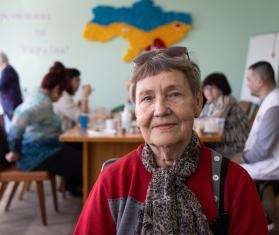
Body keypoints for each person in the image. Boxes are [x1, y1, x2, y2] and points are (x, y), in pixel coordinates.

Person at [74, 47, 267, 234]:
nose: (160, 110)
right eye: (147, 98)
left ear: (197, 103)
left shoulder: (234, 183)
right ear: (136, 112)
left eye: (174, 94)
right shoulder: (114, 181)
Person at [5, 62, 82, 195]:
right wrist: (14, 150)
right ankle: (82, 195)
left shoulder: (40, 98)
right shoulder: (41, 103)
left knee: (81, 150)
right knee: (86, 163)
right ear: (57, 89)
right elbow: (18, 121)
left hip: (46, 149)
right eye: (62, 91)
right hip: (36, 155)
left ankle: (74, 189)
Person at [232, 61, 279, 180]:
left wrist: (241, 158)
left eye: (249, 80)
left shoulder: (274, 106)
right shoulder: (268, 101)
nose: (247, 84)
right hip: (262, 160)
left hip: (270, 165)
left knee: (228, 173)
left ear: (259, 82)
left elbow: (262, 149)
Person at [200, 73, 249, 157]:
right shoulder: (210, 102)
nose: (208, 91)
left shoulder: (225, 101)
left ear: (222, 88)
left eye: (212, 88)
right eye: (206, 88)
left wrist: (199, 129)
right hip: (219, 140)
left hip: (233, 145)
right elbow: (202, 124)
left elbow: (212, 128)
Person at [0, 52, 23, 132]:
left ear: (1, 59)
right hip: (11, 106)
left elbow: (1, 86)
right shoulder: (7, 70)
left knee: (13, 130)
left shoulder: (7, 71)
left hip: (12, 106)